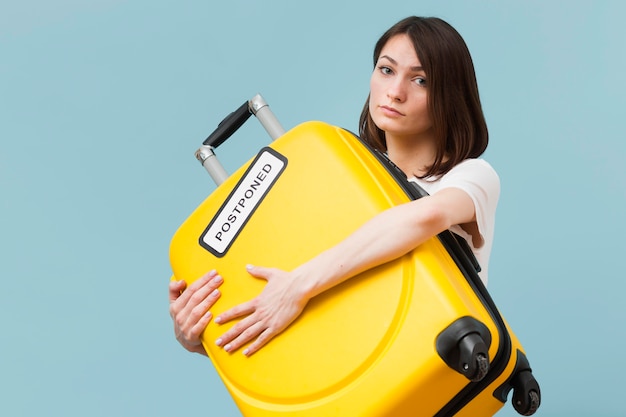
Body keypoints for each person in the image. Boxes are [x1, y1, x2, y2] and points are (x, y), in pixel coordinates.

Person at [169, 16, 500, 358]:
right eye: (387, 70)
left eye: (420, 80)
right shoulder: (346, 174)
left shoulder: (471, 177)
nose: (396, 92)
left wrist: (297, 286)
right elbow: (312, 306)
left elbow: (422, 218)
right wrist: (201, 337)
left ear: (449, 96)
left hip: (425, 365)